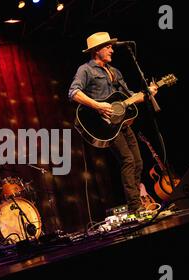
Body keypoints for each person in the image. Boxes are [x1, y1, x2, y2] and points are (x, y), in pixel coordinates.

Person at [68, 32, 158, 213]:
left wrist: (147, 93)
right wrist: (98, 105)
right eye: (108, 47)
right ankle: (135, 206)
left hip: (122, 123)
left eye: (111, 47)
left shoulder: (115, 71)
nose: (112, 50)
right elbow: (73, 93)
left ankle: (137, 202)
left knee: (138, 162)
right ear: (96, 50)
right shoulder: (85, 70)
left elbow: (128, 97)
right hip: (105, 125)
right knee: (128, 160)